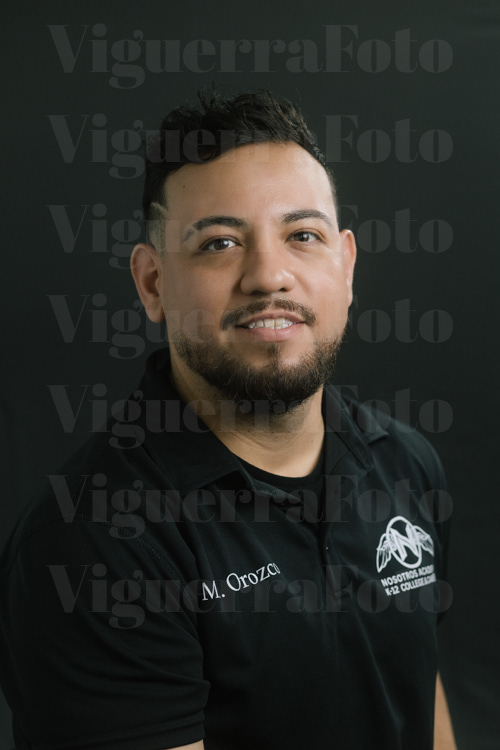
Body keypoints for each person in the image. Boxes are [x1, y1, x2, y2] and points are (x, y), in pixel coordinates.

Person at [0, 89, 455, 750]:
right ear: (152, 283)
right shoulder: (94, 543)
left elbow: (419, 694)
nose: (269, 276)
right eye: (219, 242)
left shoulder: (406, 462)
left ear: (347, 266)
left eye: (303, 236)